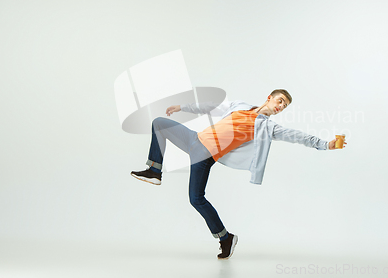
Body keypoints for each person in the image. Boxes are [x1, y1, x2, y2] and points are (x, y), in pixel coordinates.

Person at [131, 89, 347, 259]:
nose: (281, 106)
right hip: (194, 139)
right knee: (159, 123)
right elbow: (212, 106)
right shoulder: (240, 106)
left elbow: (297, 136)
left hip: (205, 156)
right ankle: (154, 170)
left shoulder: (266, 127)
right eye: (280, 101)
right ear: (270, 98)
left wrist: (325, 145)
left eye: (285, 105)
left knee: (196, 199)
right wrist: (183, 106)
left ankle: (225, 238)